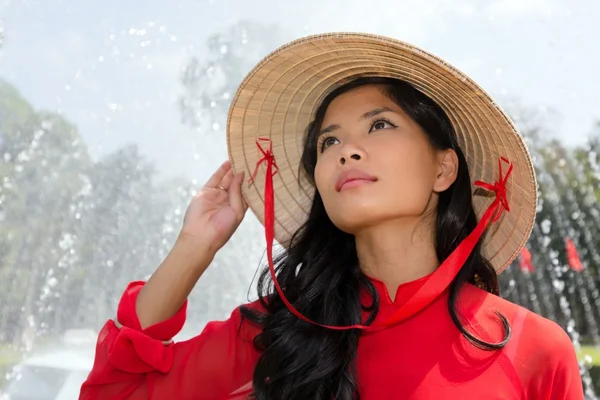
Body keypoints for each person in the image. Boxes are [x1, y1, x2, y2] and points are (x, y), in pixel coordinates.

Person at [79, 33, 583, 400]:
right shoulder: (278, 333)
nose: (347, 151)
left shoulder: (534, 350)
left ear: (443, 168)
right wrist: (194, 248)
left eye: (379, 124)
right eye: (329, 141)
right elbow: (114, 391)